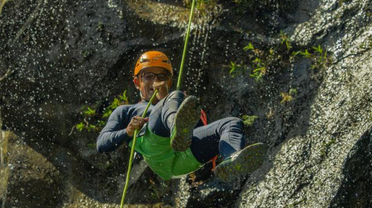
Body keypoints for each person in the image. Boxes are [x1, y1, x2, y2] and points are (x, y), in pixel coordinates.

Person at [97, 51, 267, 182]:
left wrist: (170, 100)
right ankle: (175, 130)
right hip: (156, 150)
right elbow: (102, 143)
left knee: (231, 123)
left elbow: (199, 130)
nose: (155, 81)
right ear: (137, 82)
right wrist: (127, 131)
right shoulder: (126, 111)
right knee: (175, 98)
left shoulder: (178, 101)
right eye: (148, 76)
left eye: (161, 76)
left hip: (186, 157)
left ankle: (232, 160)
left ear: (168, 82)